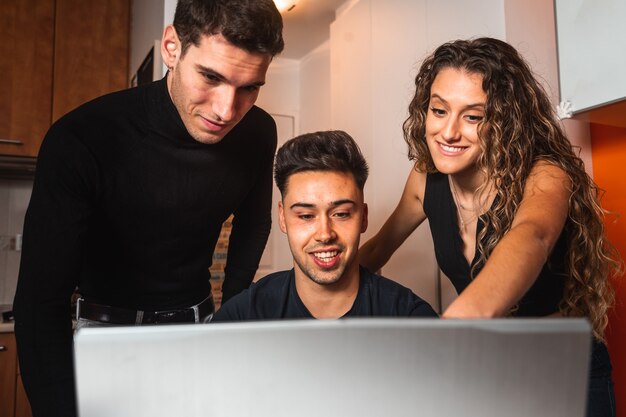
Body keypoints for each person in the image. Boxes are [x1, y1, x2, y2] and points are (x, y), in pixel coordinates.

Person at [12, 1, 283, 416]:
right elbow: (39, 306)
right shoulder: (81, 138)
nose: (226, 110)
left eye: (249, 87)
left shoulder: (258, 132)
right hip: (103, 338)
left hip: (199, 328)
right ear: (172, 47)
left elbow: (254, 222)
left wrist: (233, 319)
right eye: (210, 77)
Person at [359, 37, 622, 417]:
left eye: (473, 116)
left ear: (504, 120)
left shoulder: (546, 174)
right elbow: (375, 252)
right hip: (491, 367)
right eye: (438, 110)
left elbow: (533, 234)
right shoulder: (424, 180)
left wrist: (453, 330)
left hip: (566, 369)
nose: (448, 132)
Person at [212, 130, 437, 321]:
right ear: (282, 218)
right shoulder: (243, 317)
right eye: (306, 216)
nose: (324, 234)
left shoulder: (408, 316)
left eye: (340, 214)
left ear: (363, 217)